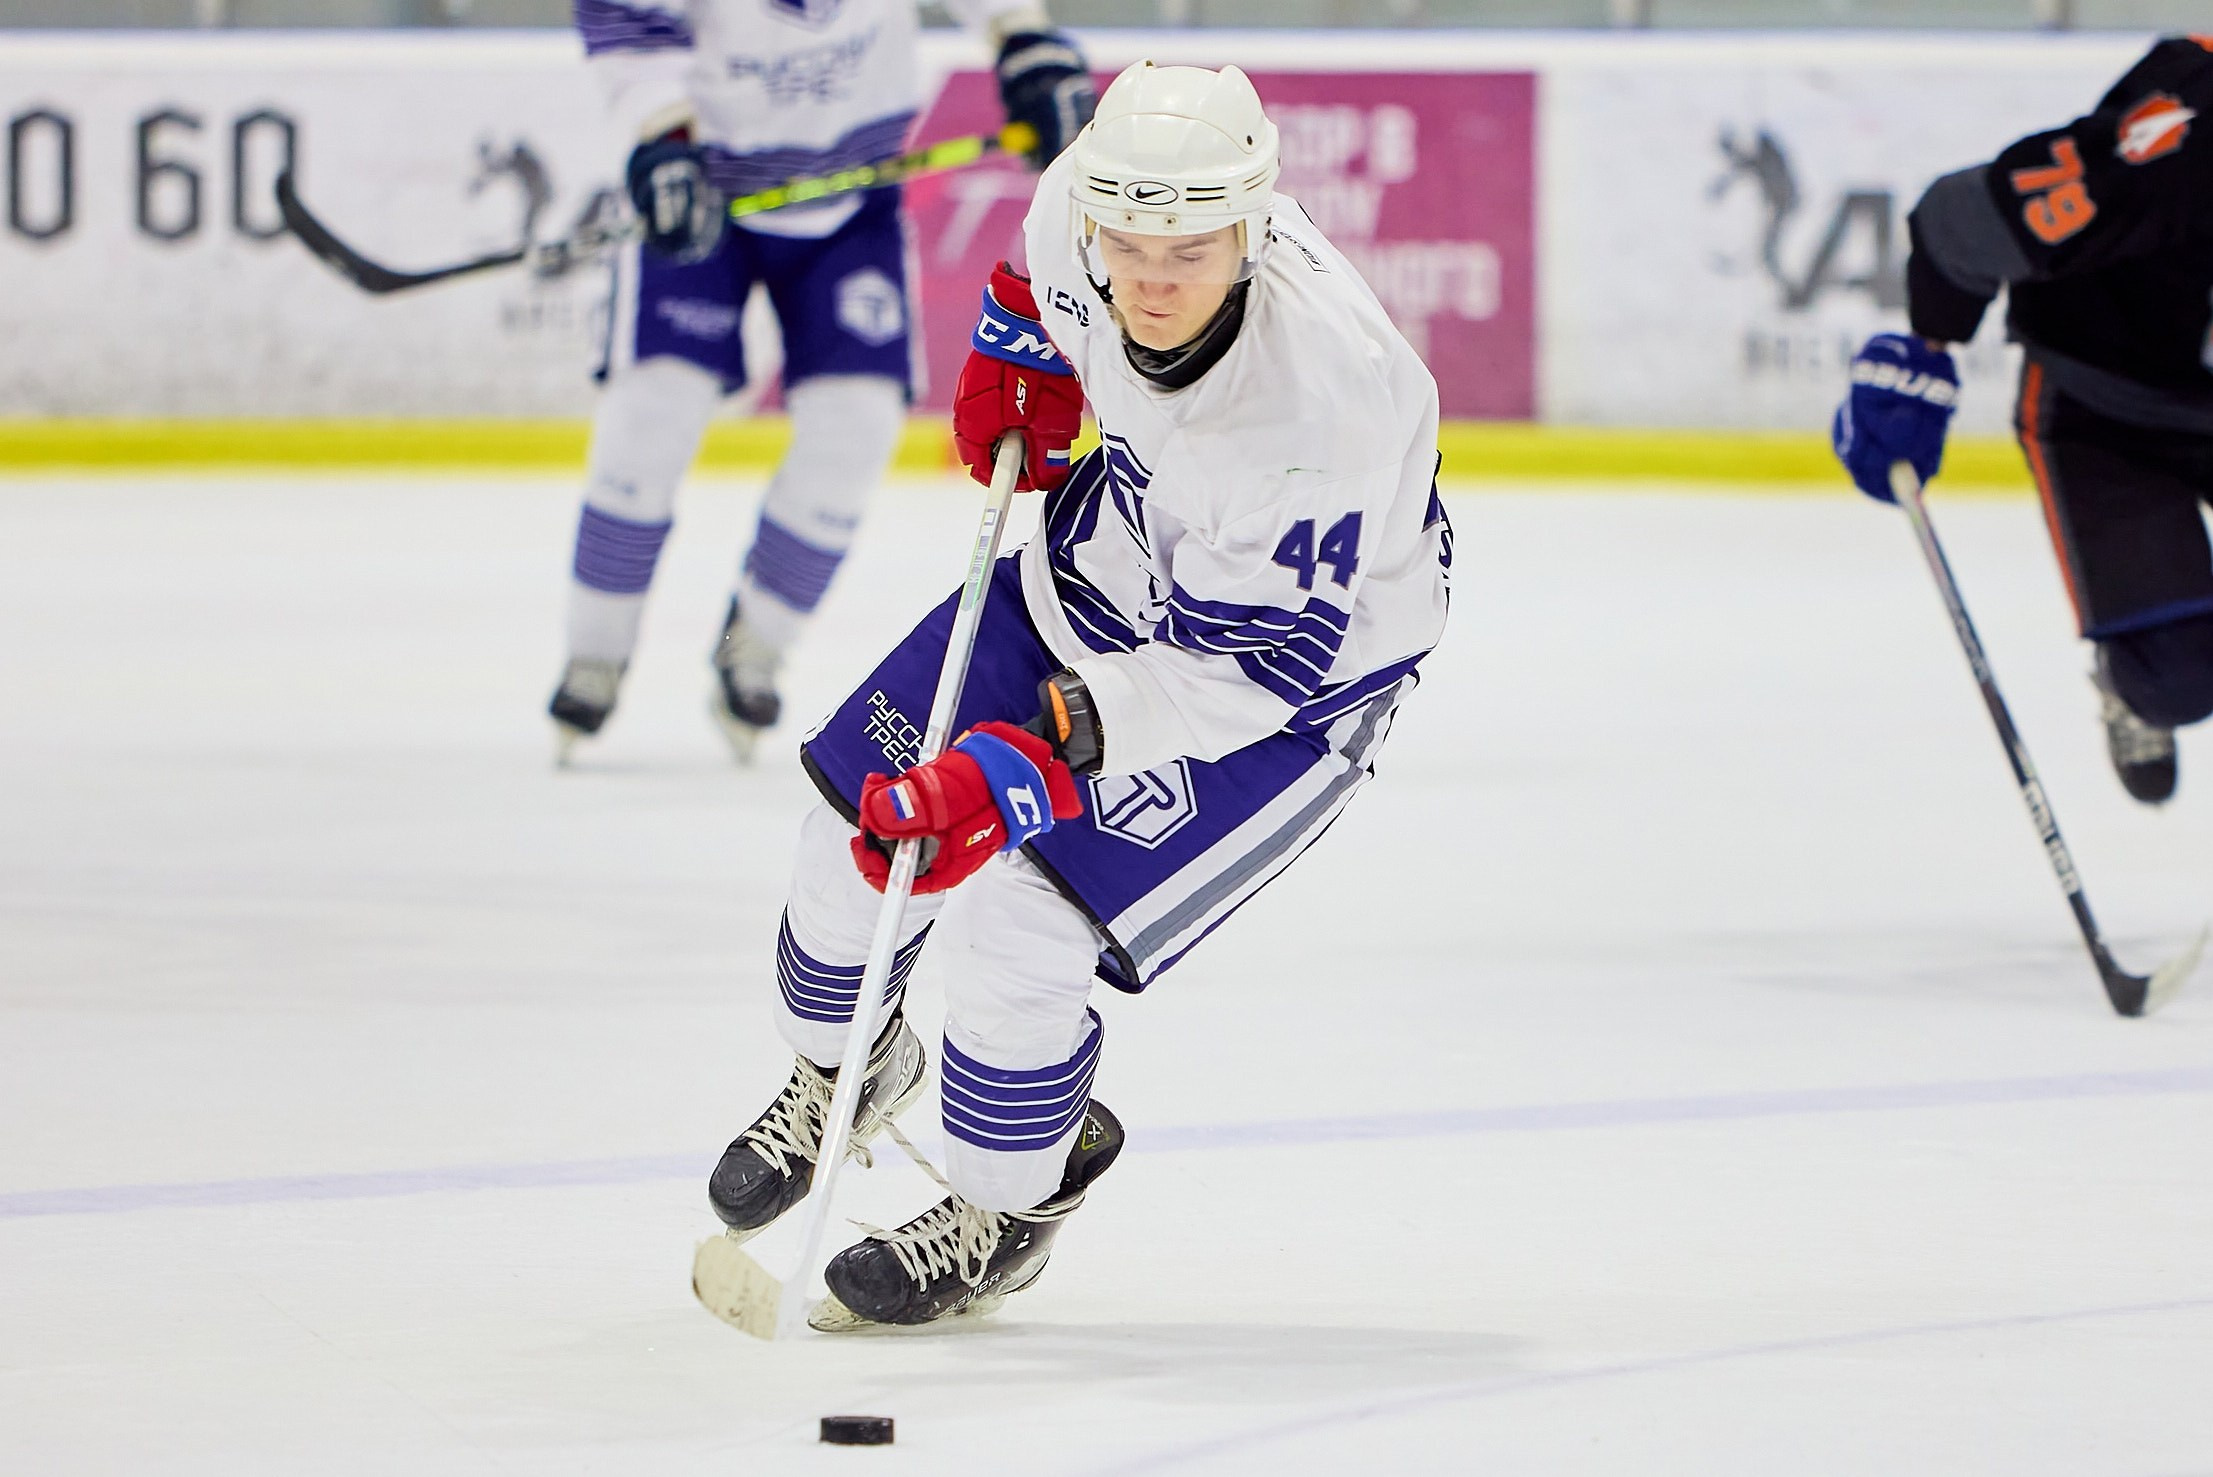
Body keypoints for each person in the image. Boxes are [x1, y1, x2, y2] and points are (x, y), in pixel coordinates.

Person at [699, 61, 1453, 1330]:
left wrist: (1024, 767)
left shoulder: (1316, 410)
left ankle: (1008, 1203)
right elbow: (1037, 274)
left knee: (1021, 927)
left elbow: (1237, 675)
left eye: (1189, 253)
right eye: (1128, 248)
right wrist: (1017, 346)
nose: (1149, 281)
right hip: (1097, 571)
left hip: (1278, 694)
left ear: (1253, 228)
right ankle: (852, 1067)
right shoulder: (1094, 192)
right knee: (848, 834)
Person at [549, 0, 1096, 762]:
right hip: (705, 186)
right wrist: (662, 132)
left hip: (851, 196)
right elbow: (626, 17)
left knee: (855, 425)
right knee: (652, 414)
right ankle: (595, 653)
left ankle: (757, 646)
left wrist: (1021, 36)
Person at [1833, 36, 2213, 805]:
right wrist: (1923, 353)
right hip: (2107, 408)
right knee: (2173, 678)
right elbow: (1961, 222)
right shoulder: (2176, 150)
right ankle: (2131, 685)